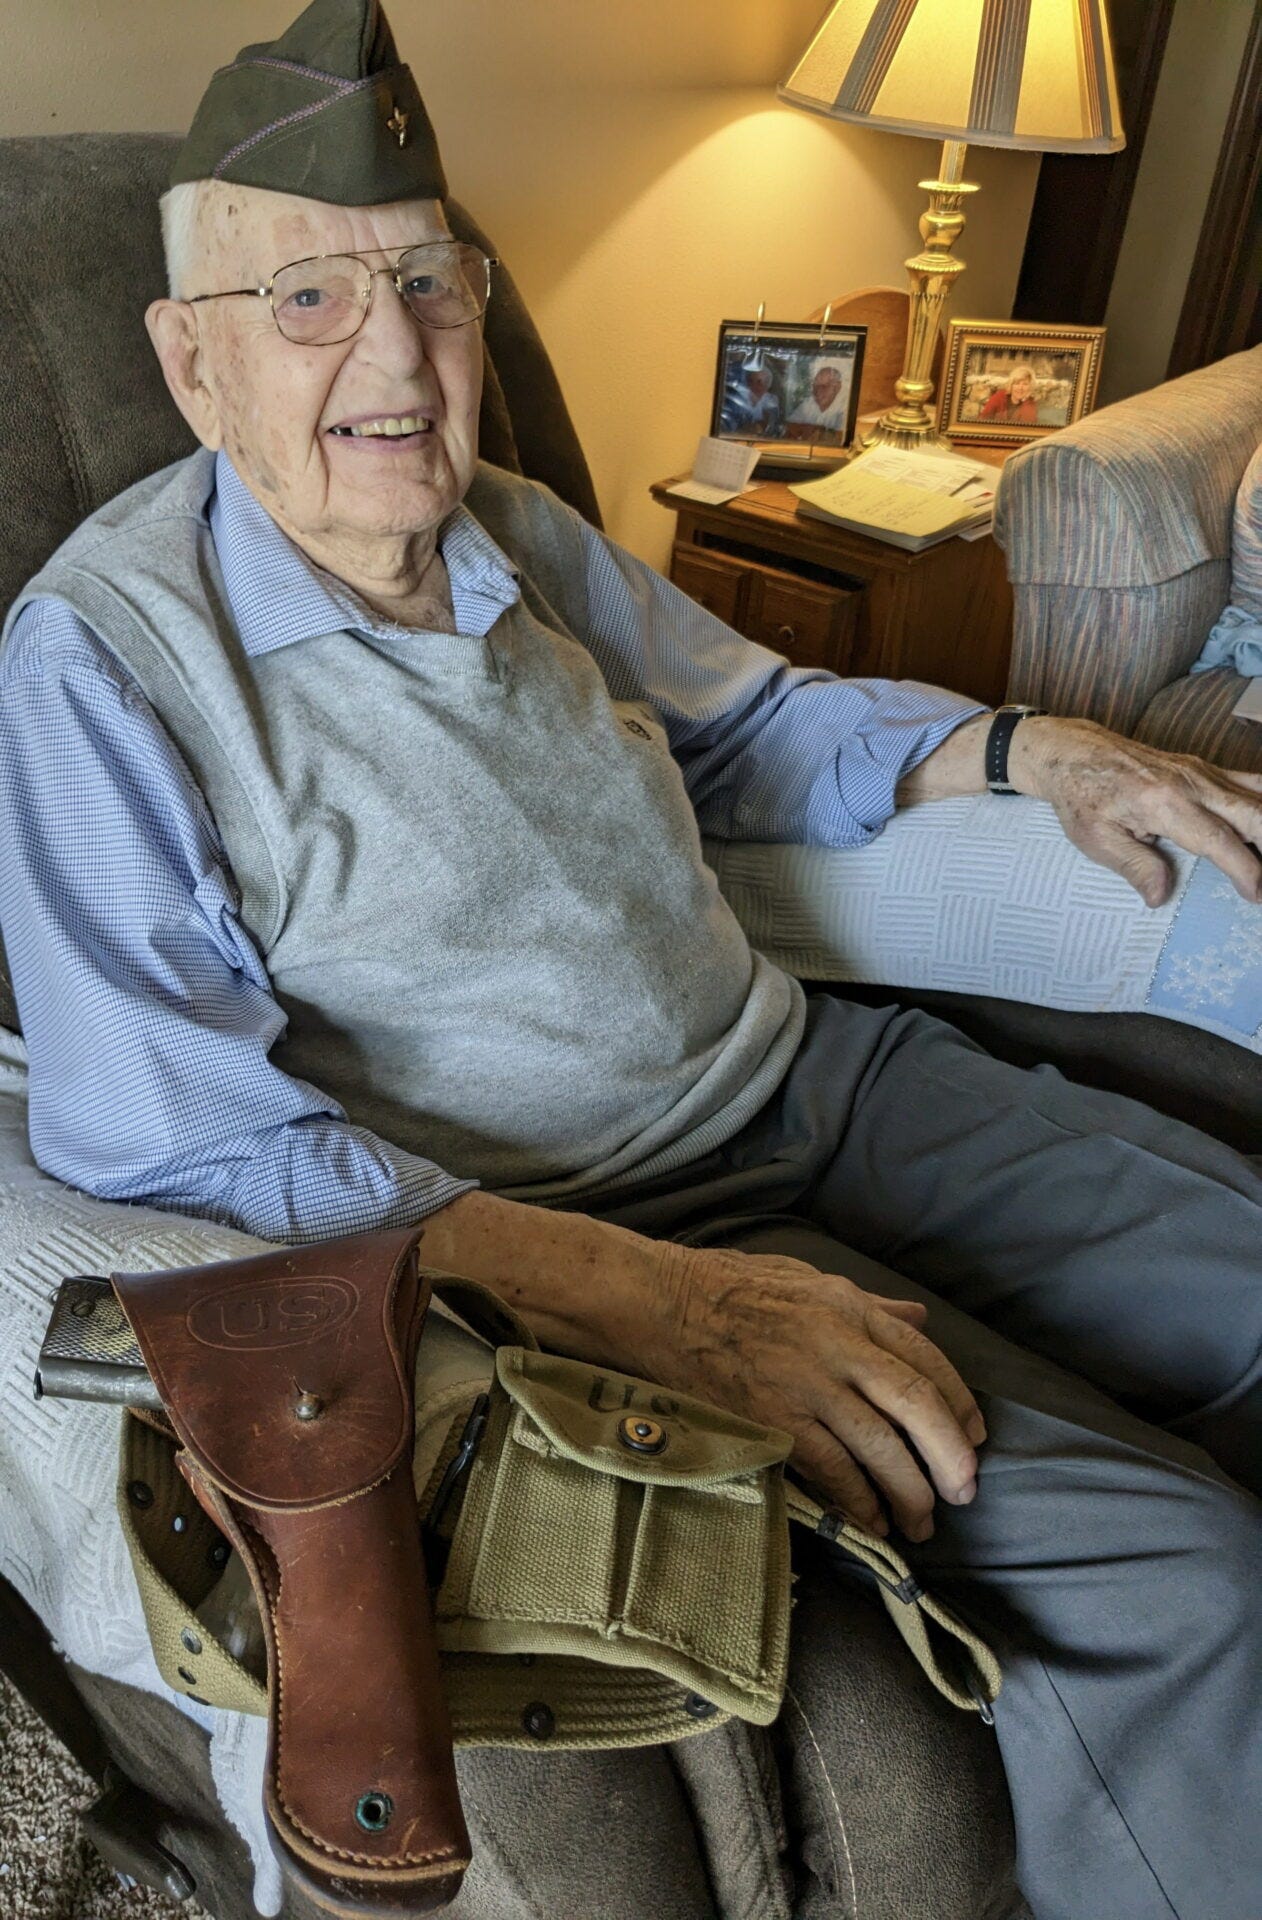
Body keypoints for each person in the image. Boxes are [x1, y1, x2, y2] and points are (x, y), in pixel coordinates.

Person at [1, 4, 1259, 1917]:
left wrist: (1021, 745)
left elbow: (754, 728)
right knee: (1186, 1580)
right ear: (192, 362)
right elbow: (168, 1125)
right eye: (310, 301)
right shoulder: (100, 664)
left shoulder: (515, 526)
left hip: (815, 1078)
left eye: (429, 283)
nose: (398, 355)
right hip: (580, 1215)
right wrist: (643, 1295)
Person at [784, 358, 849, 439]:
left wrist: (815, 430)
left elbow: (840, 438)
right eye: (816, 385)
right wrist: (810, 429)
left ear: (837, 388)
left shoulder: (846, 407)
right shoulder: (809, 402)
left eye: (825, 386)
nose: (818, 390)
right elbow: (790, 426)